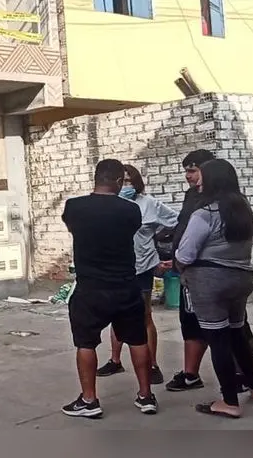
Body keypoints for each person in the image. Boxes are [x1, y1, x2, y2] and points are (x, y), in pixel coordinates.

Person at [61, 159, 157, 418]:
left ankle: (89, 400)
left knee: (86, 343)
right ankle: (146, 395)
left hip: (90, 288)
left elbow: (73, 229)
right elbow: (131, 231)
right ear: (117, 181)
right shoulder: (130, 210)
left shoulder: (74, 206)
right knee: (137, 340)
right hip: (126, 286)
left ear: (96, 178)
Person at [175, 159, 253, 418]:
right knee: (238, 334)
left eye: (201, 176)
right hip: (241, 279)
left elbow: (185, 254)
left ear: (213, 181)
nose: (198, 181)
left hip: (210, 283)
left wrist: (178, 263)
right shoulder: (242, 209)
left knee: (218, 340)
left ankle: (229, 402)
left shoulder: (204, 214)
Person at [164, 149, 253, 393]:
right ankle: (194, 375)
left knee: (222, 334)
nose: (190, 177)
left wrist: (187, 260)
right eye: (186, 172)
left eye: (194, 171)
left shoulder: (212, 209)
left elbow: (187, 251)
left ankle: (234, 389)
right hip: (232, 277)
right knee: (197, 326)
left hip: (207, 279)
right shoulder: (196, 198)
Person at [96, 164, 179, 385]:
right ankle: (115, 360)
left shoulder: (148, 204)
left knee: (144, 315)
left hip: (142, 266)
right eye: (122, 181)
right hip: (116, 267)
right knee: (116, 314)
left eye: (129, 181)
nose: (126, 185)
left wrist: (159, 239)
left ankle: (152, 364)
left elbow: (177, 221)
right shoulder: (109, 204)